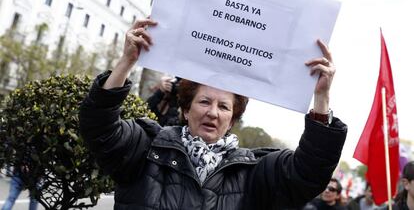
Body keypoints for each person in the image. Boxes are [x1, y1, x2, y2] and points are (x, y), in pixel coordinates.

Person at [79, 18, 347, 209]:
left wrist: (321, 98)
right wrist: (126, 61)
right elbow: (99, 127)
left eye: (224, 107)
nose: (213, 113)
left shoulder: (254, 172)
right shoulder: (146, 146)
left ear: (232, 119)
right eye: (204, 102)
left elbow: (309, 173)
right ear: (185, 109)